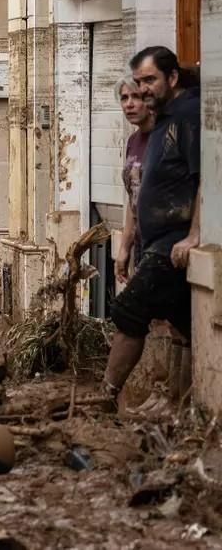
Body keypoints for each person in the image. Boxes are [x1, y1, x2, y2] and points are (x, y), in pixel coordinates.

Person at [102, 46, 200, 406]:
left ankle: (107, 395)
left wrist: (195, 235)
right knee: (183, 323)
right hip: (154, 241)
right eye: (134, 86)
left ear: (171, 78)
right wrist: (126, 245)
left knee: (130, 310)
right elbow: (134, 198)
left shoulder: (186, 114)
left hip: (173, 241)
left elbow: (204, 178)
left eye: (148, 82)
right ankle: (179, 402)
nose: (139, 94)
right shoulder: (159, 124)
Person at [114, 75, 155, 281]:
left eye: (135, 97)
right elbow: (133, 201)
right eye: (124, 98)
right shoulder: (133, 141)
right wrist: (124, 248)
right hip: (140, 244)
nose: (129, 104)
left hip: (162, 244)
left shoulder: (166, 137)